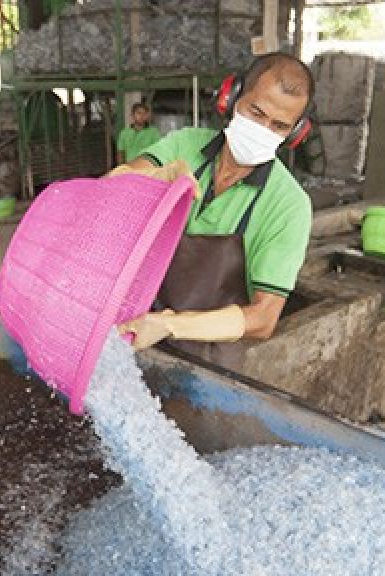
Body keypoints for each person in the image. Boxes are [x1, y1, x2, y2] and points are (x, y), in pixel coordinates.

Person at [112, 53, 315, 368]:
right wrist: (155, 177)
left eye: (279, 126)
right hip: (136, 329)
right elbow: (107, 190)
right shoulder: (186, 145)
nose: (263, 129)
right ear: (231, 98)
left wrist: (169, 325)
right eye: (256, 112)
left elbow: (263, 318)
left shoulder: (289, 205)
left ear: (294, 134)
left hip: (212, 361)